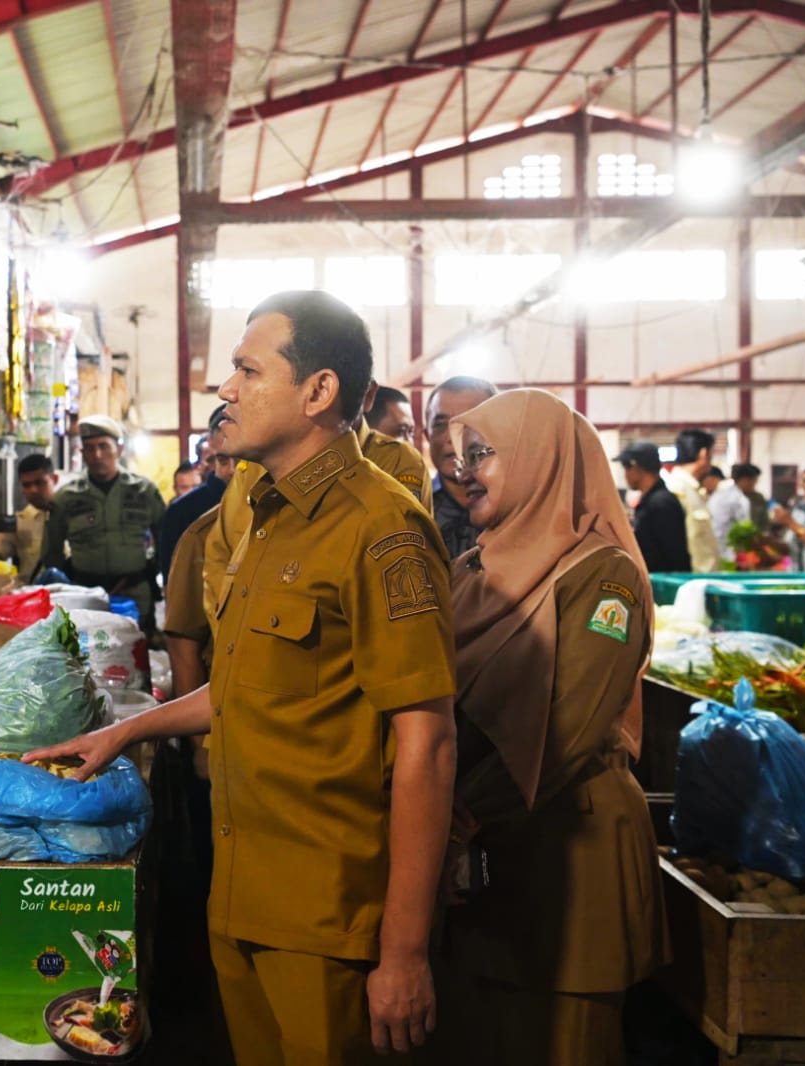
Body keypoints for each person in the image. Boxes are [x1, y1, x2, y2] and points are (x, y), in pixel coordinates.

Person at [32, 291, 455, 1064]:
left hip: (325, 910)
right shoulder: (263, 513)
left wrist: (403, 953)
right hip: (243, 889)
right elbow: (246, 686)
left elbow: (426, 744)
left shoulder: (381, 528)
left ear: (318, 392)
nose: (225, 389)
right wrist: (120, 732)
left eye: (246, 369)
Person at [433, 389, 665, 1066]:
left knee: (562, 1043)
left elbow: (570, 728)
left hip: (568, 848)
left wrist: (451, 814)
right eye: (457, 456)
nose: (462, 471)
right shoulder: (472, 571)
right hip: (480, 853)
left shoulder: (603, 577)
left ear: (542, 459)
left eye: (481, 454)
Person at [202, 379, 433, 628]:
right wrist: (233, 636)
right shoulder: (256, 467)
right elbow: (220, 557)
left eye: (251, 372)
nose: (229, 389)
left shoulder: (394, 463)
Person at [43, 415, 167, 626]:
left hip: (134, 595)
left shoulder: (144, 491)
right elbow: (51, 553)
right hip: (84, 596)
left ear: (118, 450)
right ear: (82, 453)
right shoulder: (67, 498)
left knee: (136, 653)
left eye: (103, 446)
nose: (97, 455)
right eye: (89, 448)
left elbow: (165, 542)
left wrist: (149, 569)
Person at [424, 377, 498, 560]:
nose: (452, 437)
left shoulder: (517, 507)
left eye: (468, 424)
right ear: (427, 435)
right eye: (440, 425)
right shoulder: (415, 509)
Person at [159, 406, 236, 584]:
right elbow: (173, 584)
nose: (232, 470)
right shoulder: (181, 512)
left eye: (242, 458)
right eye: (223, 460)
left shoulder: (269, 505)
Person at [0, 453, 59, 582]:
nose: (33, 490)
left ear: (54, 479)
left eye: (39, 483)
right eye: (27, 485)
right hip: (31, 595)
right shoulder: (20, 521)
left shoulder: (75, 513)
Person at [618, 441, 691, 573]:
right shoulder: (650, 501)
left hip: (665, 587)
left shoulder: (661, 502)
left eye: (627, 468)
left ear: (637, 468)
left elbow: (674, 554)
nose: (626, 475)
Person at [664, 429, 723, 572]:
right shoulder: (677, 489)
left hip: (702, 582)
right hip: (690, 583)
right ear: (704, 454)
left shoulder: (693, 490)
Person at [708, 462, 759, 553]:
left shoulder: (719, 494)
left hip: (713, 545)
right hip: (727, 549)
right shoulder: (739, 500)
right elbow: (745, 529)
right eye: (754, 482)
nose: (754, 486)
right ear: (745, 480)